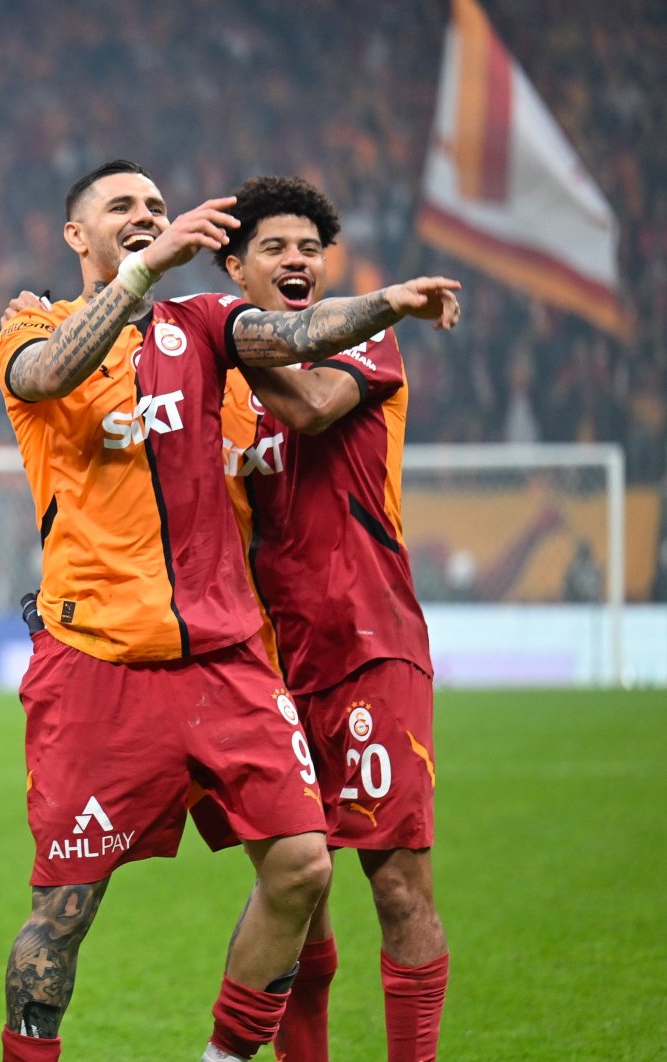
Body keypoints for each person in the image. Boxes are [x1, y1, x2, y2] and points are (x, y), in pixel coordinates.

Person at [0, 159, 460, 1062]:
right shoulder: (31, 320)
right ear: (75, 236)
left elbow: (294, 344)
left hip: (234, 659)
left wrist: (386, 302)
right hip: (98, 661)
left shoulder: (205, 326)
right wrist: (146, 267)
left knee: (306, 867)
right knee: (63, 911)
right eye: (121, 207)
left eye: (159, 206)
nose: (146, 214)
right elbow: (46, 374)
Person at [214, 175, 450, 1061]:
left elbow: (312, 409)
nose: (298, 260)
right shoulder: (223, 390)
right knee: (296, 896)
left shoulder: (369, 337)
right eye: (275, 248)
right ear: (237, 268)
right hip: (268, 668)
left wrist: (222, 345)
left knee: (396, 887)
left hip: (369, 646)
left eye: (310, 248)